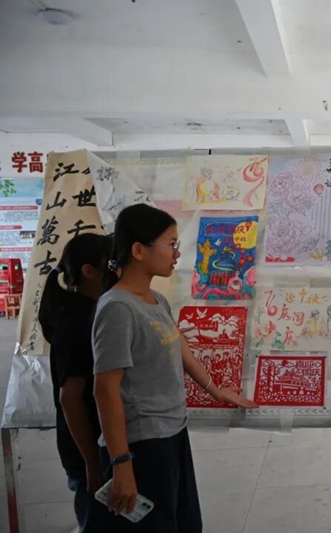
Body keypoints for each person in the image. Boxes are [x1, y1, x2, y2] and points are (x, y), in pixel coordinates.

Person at [92, 204, 256, 532]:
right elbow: (105, 389)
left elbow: (180, 346)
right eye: (171, 244)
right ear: (139, 250)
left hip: (172, 433)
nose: (177, 254)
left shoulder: (156, 299)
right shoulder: (117, 309)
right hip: (142, 445)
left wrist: (215, 390)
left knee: (185, 523)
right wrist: (121, 463)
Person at [39, 233, 112, 533]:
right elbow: (70, 399)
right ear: (89, 271)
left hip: (97, 445)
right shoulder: (79, 323)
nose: (118, 270)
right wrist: (92, 463)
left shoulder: (92, 312)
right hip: (87, 449)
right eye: (112, 264)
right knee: (96, 520)